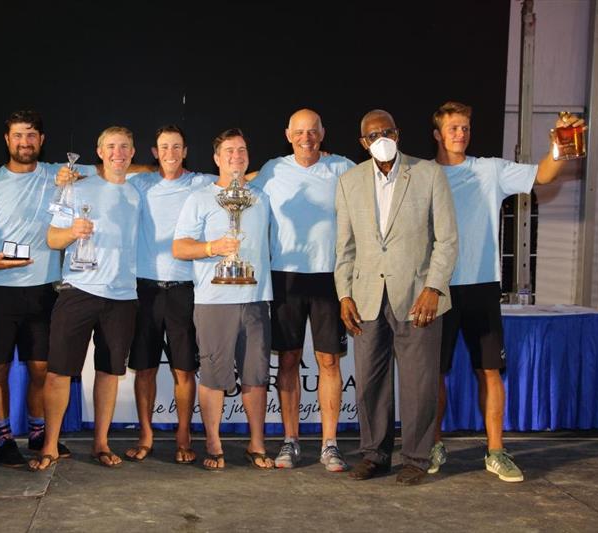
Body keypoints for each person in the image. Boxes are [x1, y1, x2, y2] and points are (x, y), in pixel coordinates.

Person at [428, 101, 586, 482]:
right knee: (432, 374)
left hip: (482, 287)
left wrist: (562, 142)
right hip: (437, 287)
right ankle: (432, 445)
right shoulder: (422, 175)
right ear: (437, 134)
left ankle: (496, 451)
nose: (460, 134)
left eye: (465, 127)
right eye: (453, 128)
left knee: (490, 372)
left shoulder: (490, 170)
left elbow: (545, 176)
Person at [335, 110, 458, 486]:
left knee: (420, 382)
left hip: (419, 297)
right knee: (370, 382)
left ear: (398, 134)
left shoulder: (428, 173)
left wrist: (433, 288)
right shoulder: (349, 182)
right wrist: (344, 295)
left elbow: (447, 240)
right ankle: (374, 455)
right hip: (367, 297)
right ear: (363, 143)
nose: (380, 138)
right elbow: (345, 247)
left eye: (386, 131)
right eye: (373, 134)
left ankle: (417, 459)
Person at [0, 110, 71, 467]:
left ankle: (39, 433)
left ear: (41, 140)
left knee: (41, 367)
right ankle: (4, 437)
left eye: (31, 135)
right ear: (7, 140)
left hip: (44, 290)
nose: (24, 142)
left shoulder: (62, 176)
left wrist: (160, 170)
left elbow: (112, 173)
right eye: (17, 136)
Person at [31, 126, 140, 470]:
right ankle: (49, 445)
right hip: (78, 290)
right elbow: (52, 239)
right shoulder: (76, 187)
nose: (118, 152)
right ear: (99, 151)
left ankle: (101, 444)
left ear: (133, 152)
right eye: (111, 146)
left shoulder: (139, 192)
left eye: (124, 146)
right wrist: (71, 232)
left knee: (109, 373)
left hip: (123, 296)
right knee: (58, 372)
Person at [252, 109, 353, 471]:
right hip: (285, 278)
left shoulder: (342, 167)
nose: (306, 137)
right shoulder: (272, 170)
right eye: (299, 132)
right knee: (290, 359)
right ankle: (290, 441)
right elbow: (236, 189)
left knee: (328, 361)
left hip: (330, 277)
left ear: (323, 133)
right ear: (287, 134)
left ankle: (330, 444)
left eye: (312, 131)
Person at [172, 128, 274, 470]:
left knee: (256, 376)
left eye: (242, 151)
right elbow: (179, 247)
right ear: (216, 158)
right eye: (229, 151)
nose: (236, 156)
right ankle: (214, 444)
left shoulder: (261, 197)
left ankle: (256, 443)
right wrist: (212, 248)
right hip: (214, 300)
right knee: (214, 376)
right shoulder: (199, 198)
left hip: (257, 297)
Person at [124, 125, 214, 464]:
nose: (171, 153)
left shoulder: (202, 183)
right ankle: (145, 434)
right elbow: (107, 171)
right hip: (145, 289)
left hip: (185, 290)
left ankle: (183, 433)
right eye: (164, 147)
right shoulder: (141, 182)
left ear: (186, 150)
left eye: (177, 147)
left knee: (184, 370)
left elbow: (242, 176)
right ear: (155, 151)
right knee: (144, 369)